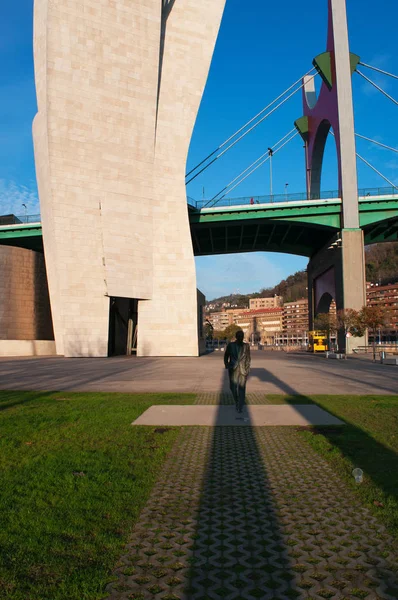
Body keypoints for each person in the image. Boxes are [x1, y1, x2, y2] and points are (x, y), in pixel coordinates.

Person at [224, 330, 251, 413]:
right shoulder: (231, 345)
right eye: (239, 336)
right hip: (233, 368)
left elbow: (248, 358)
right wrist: (227, 365)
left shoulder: (246, 346)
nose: (240, 338)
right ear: (236, 337)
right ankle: (237, 401)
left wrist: (247, 369)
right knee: (232, 387)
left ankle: (240, 406)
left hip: (243, 370)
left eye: (242, 336)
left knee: (242, 388)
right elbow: (226, 356)